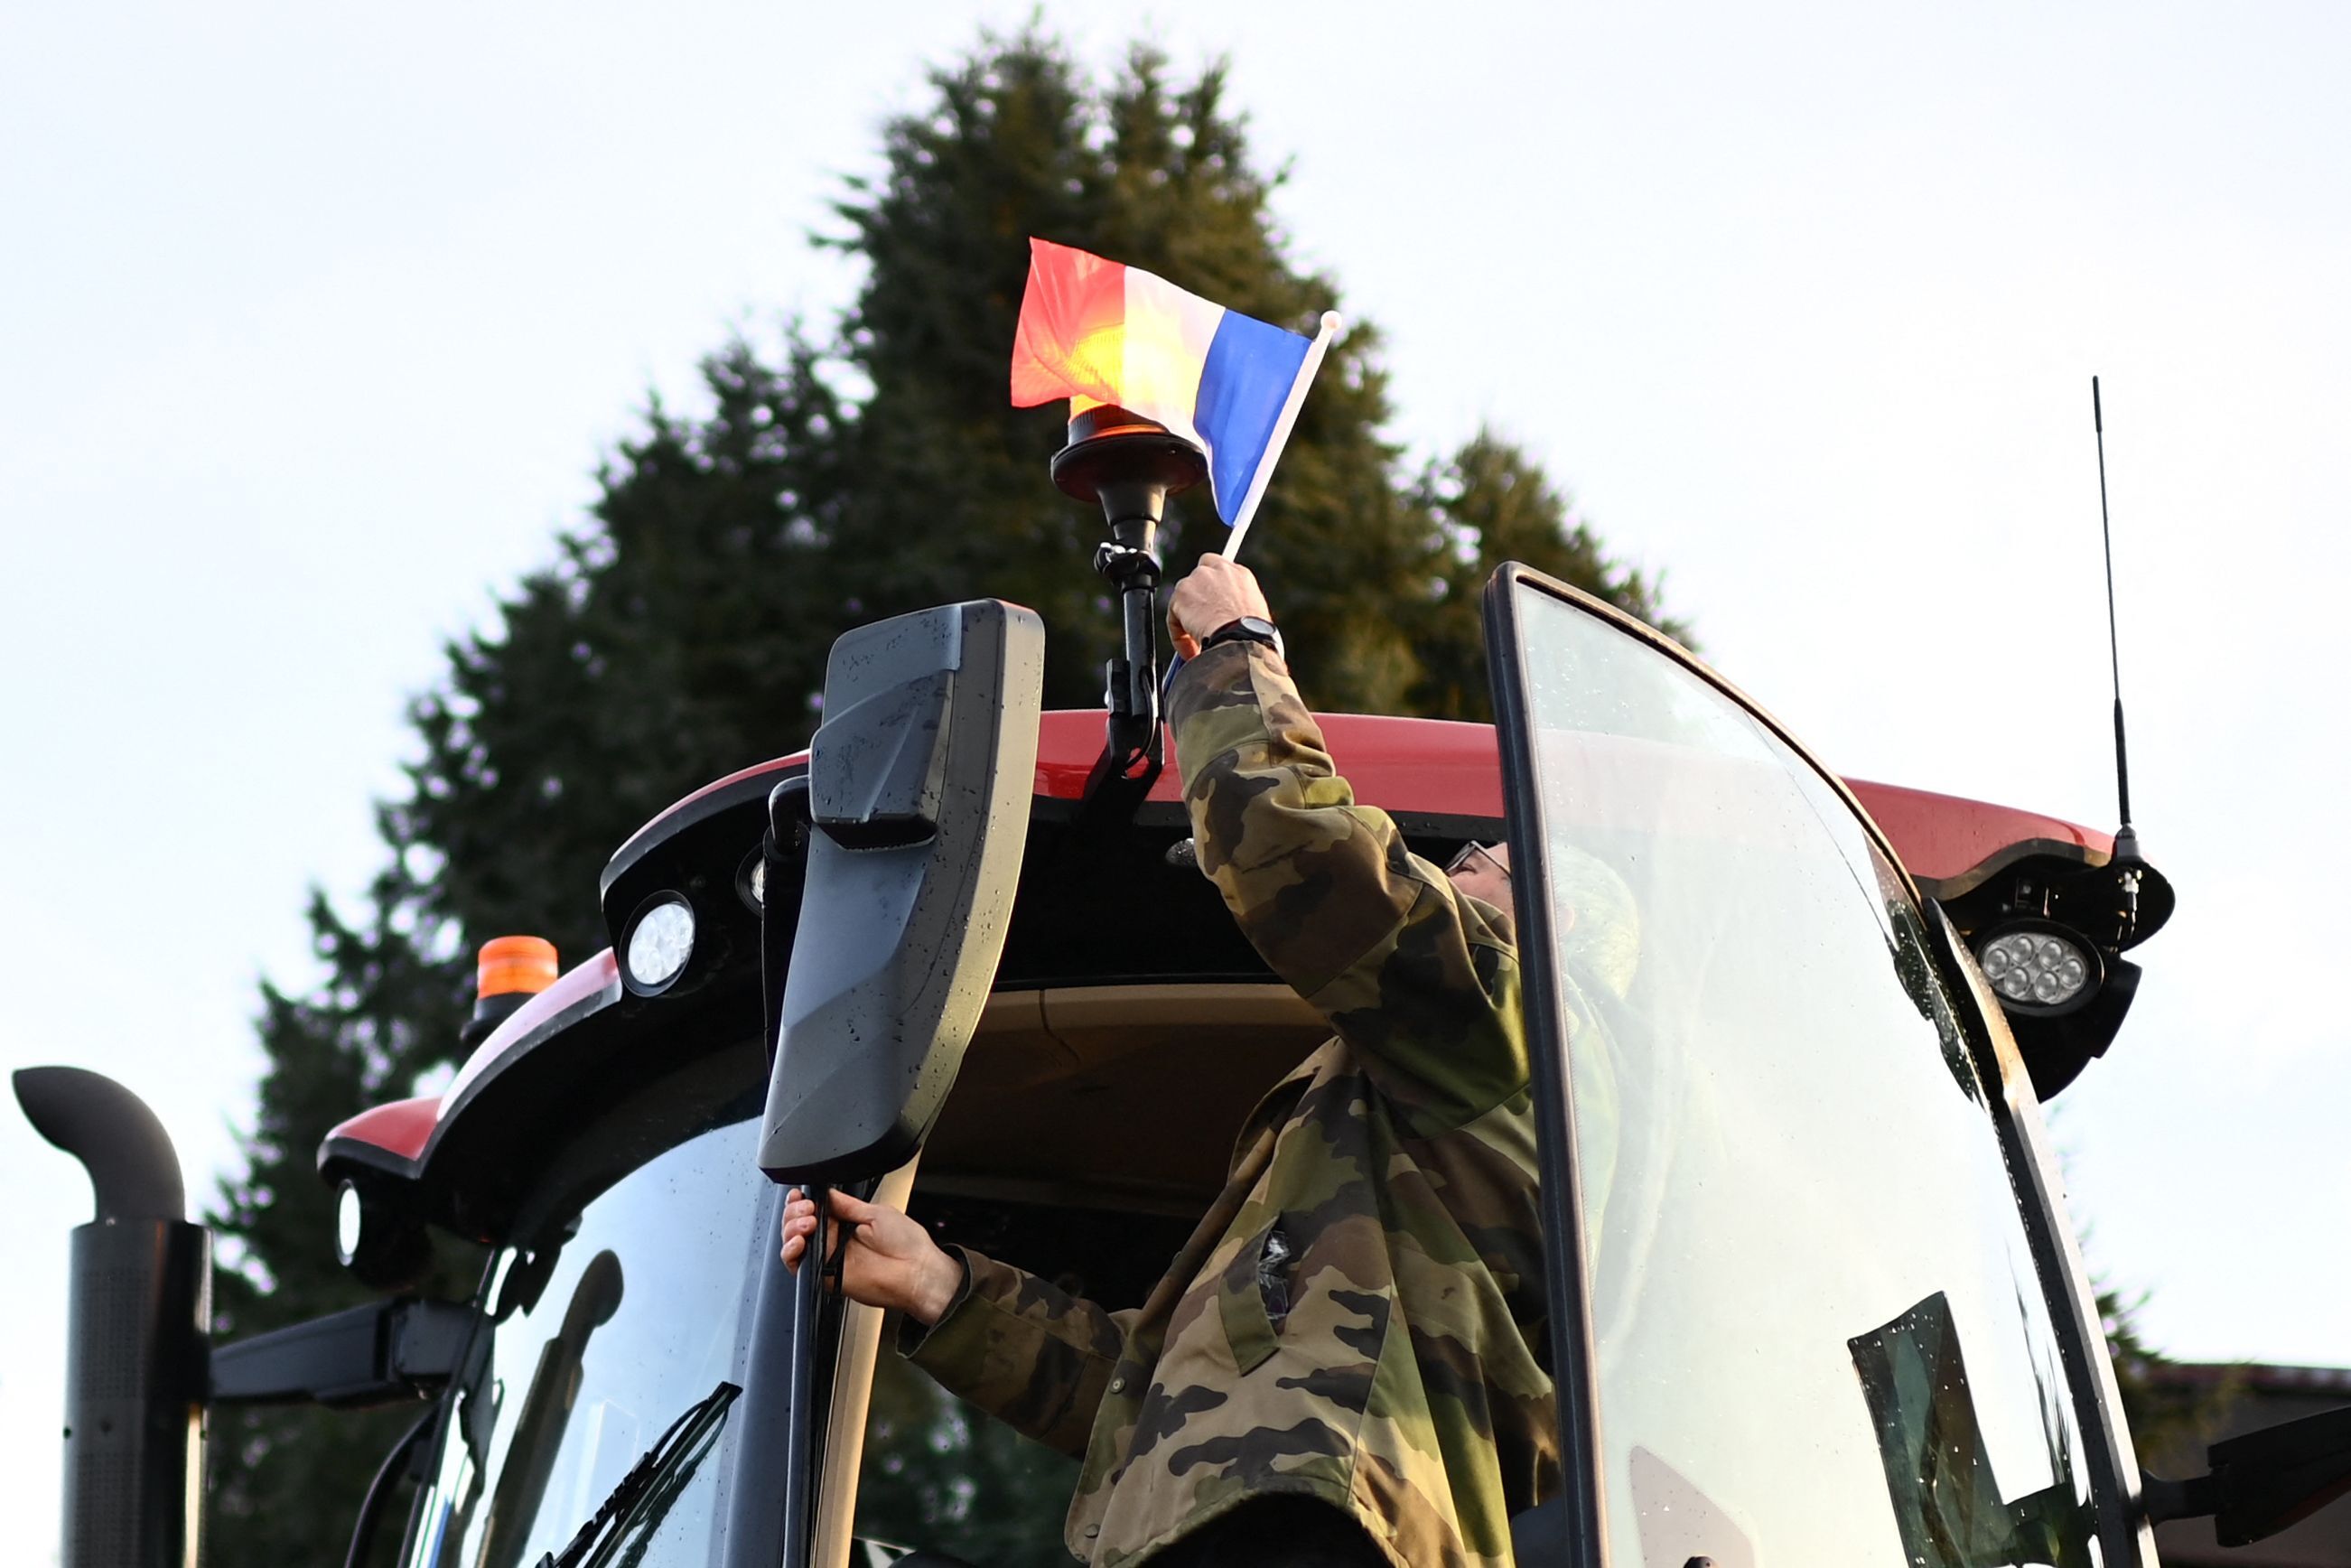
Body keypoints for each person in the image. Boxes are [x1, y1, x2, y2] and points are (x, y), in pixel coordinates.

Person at [785, 556, 1568, 1568]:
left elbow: (1296, 844)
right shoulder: (1388, 1144)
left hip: (1331, 1527)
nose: (1447, 871)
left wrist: (1238, 653)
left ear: (1564, 936)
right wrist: (942, 1285)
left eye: (1474, 863)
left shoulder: (1514, 1023)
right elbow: (1163, 1401)